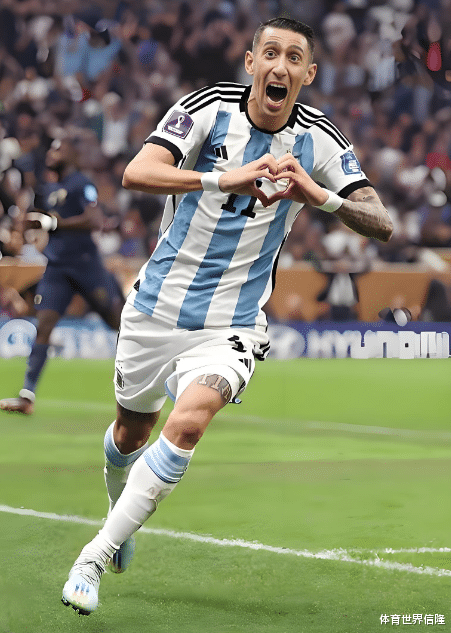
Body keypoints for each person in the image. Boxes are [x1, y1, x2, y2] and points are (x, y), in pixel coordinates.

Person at [61, 17, 393, 615]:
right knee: (129, 434)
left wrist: (317, 195)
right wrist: (221, 177)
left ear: (308, 74)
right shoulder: (206, 109)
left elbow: (382, 222)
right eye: (272, 53)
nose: (281, 66)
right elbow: (137, 172)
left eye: (295, 58)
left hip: (233, 322)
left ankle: (93, 556)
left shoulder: (319, 139)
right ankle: (119, 514)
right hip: (156, 309)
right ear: (251, 62)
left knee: (189, 422)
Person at [0, 136, 124, 415]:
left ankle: (149, 381)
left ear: (72, 155)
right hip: (57, 267)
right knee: (44, 324)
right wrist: (35, 223)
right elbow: (48, 223)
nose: (52, 153)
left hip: (86, 266)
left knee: (120, 323)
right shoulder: (50, 189)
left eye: (59, 149)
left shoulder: (82, 184)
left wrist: (54, 223)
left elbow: (94, 220)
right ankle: (27, 395)